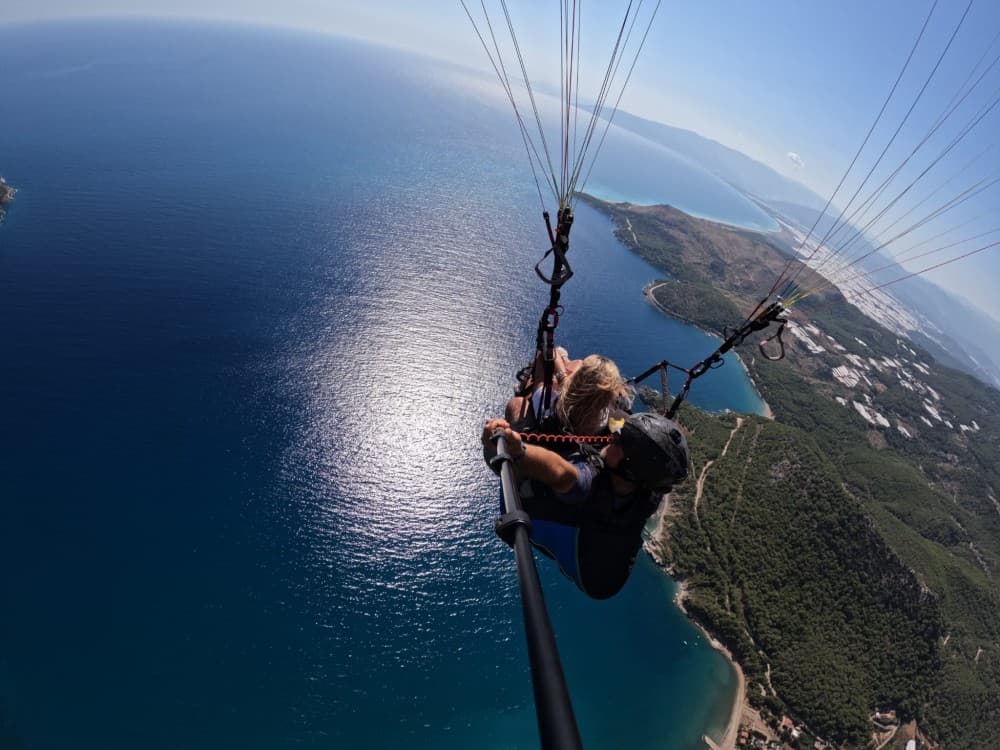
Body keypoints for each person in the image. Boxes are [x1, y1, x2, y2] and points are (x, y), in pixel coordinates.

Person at [482, 411, 689, 599]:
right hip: (611, 571)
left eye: (620, 441)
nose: (613, 437)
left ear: (630, 469)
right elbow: (622, 428)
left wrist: (518, 451)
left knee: (519, 481)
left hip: (590, 570)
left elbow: (562, 474)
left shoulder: (590, 488)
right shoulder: (649, 487)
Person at [505, 350, 633, 437]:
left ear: (577, 380)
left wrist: (563, 376)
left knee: (519, 402)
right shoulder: (604, 417)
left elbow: (542, 355)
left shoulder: (549, 403)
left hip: (548, 430)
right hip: (580, 444)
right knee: (577, 363)